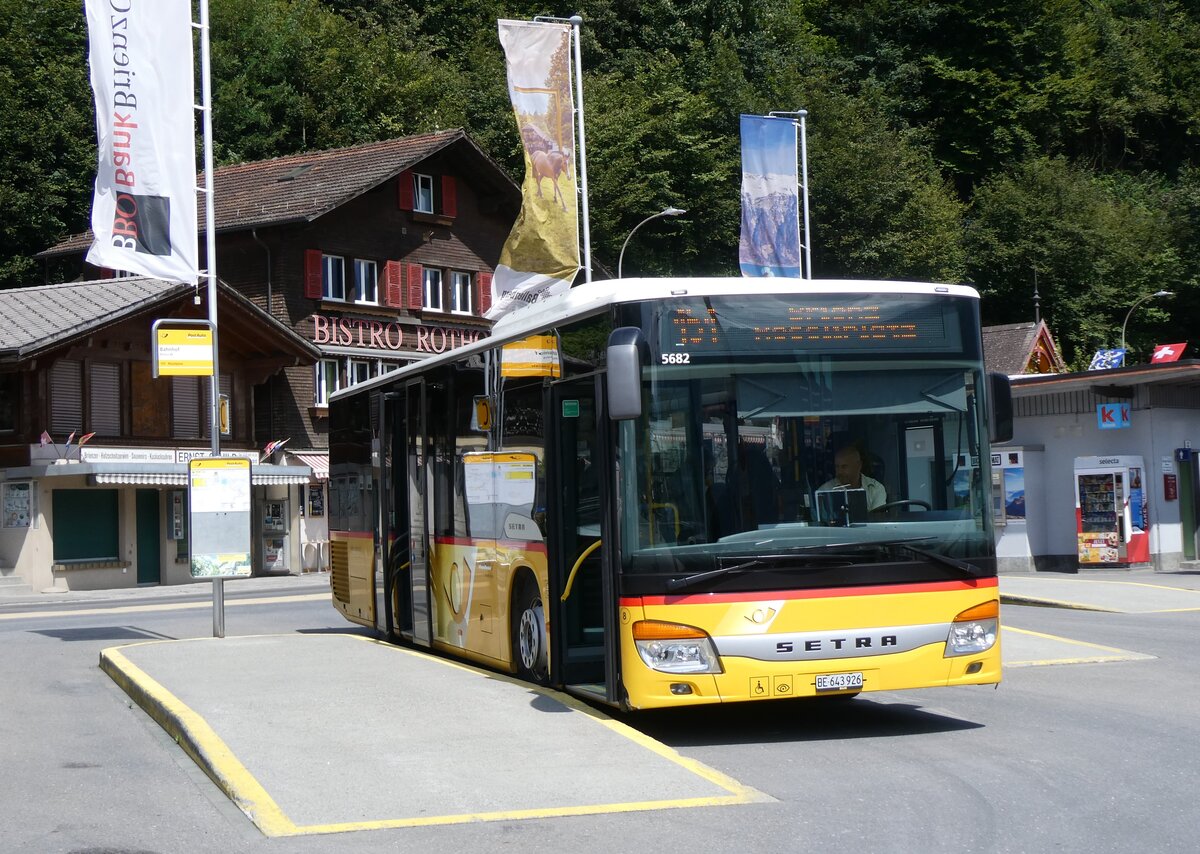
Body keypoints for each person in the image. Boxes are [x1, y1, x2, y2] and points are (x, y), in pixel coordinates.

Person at [818, 444, 886, 510]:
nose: (839, 472)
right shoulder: (824, 491)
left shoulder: (875, 489)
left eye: (844, 467)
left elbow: (878, 518)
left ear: (858, 466)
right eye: (837, 467)